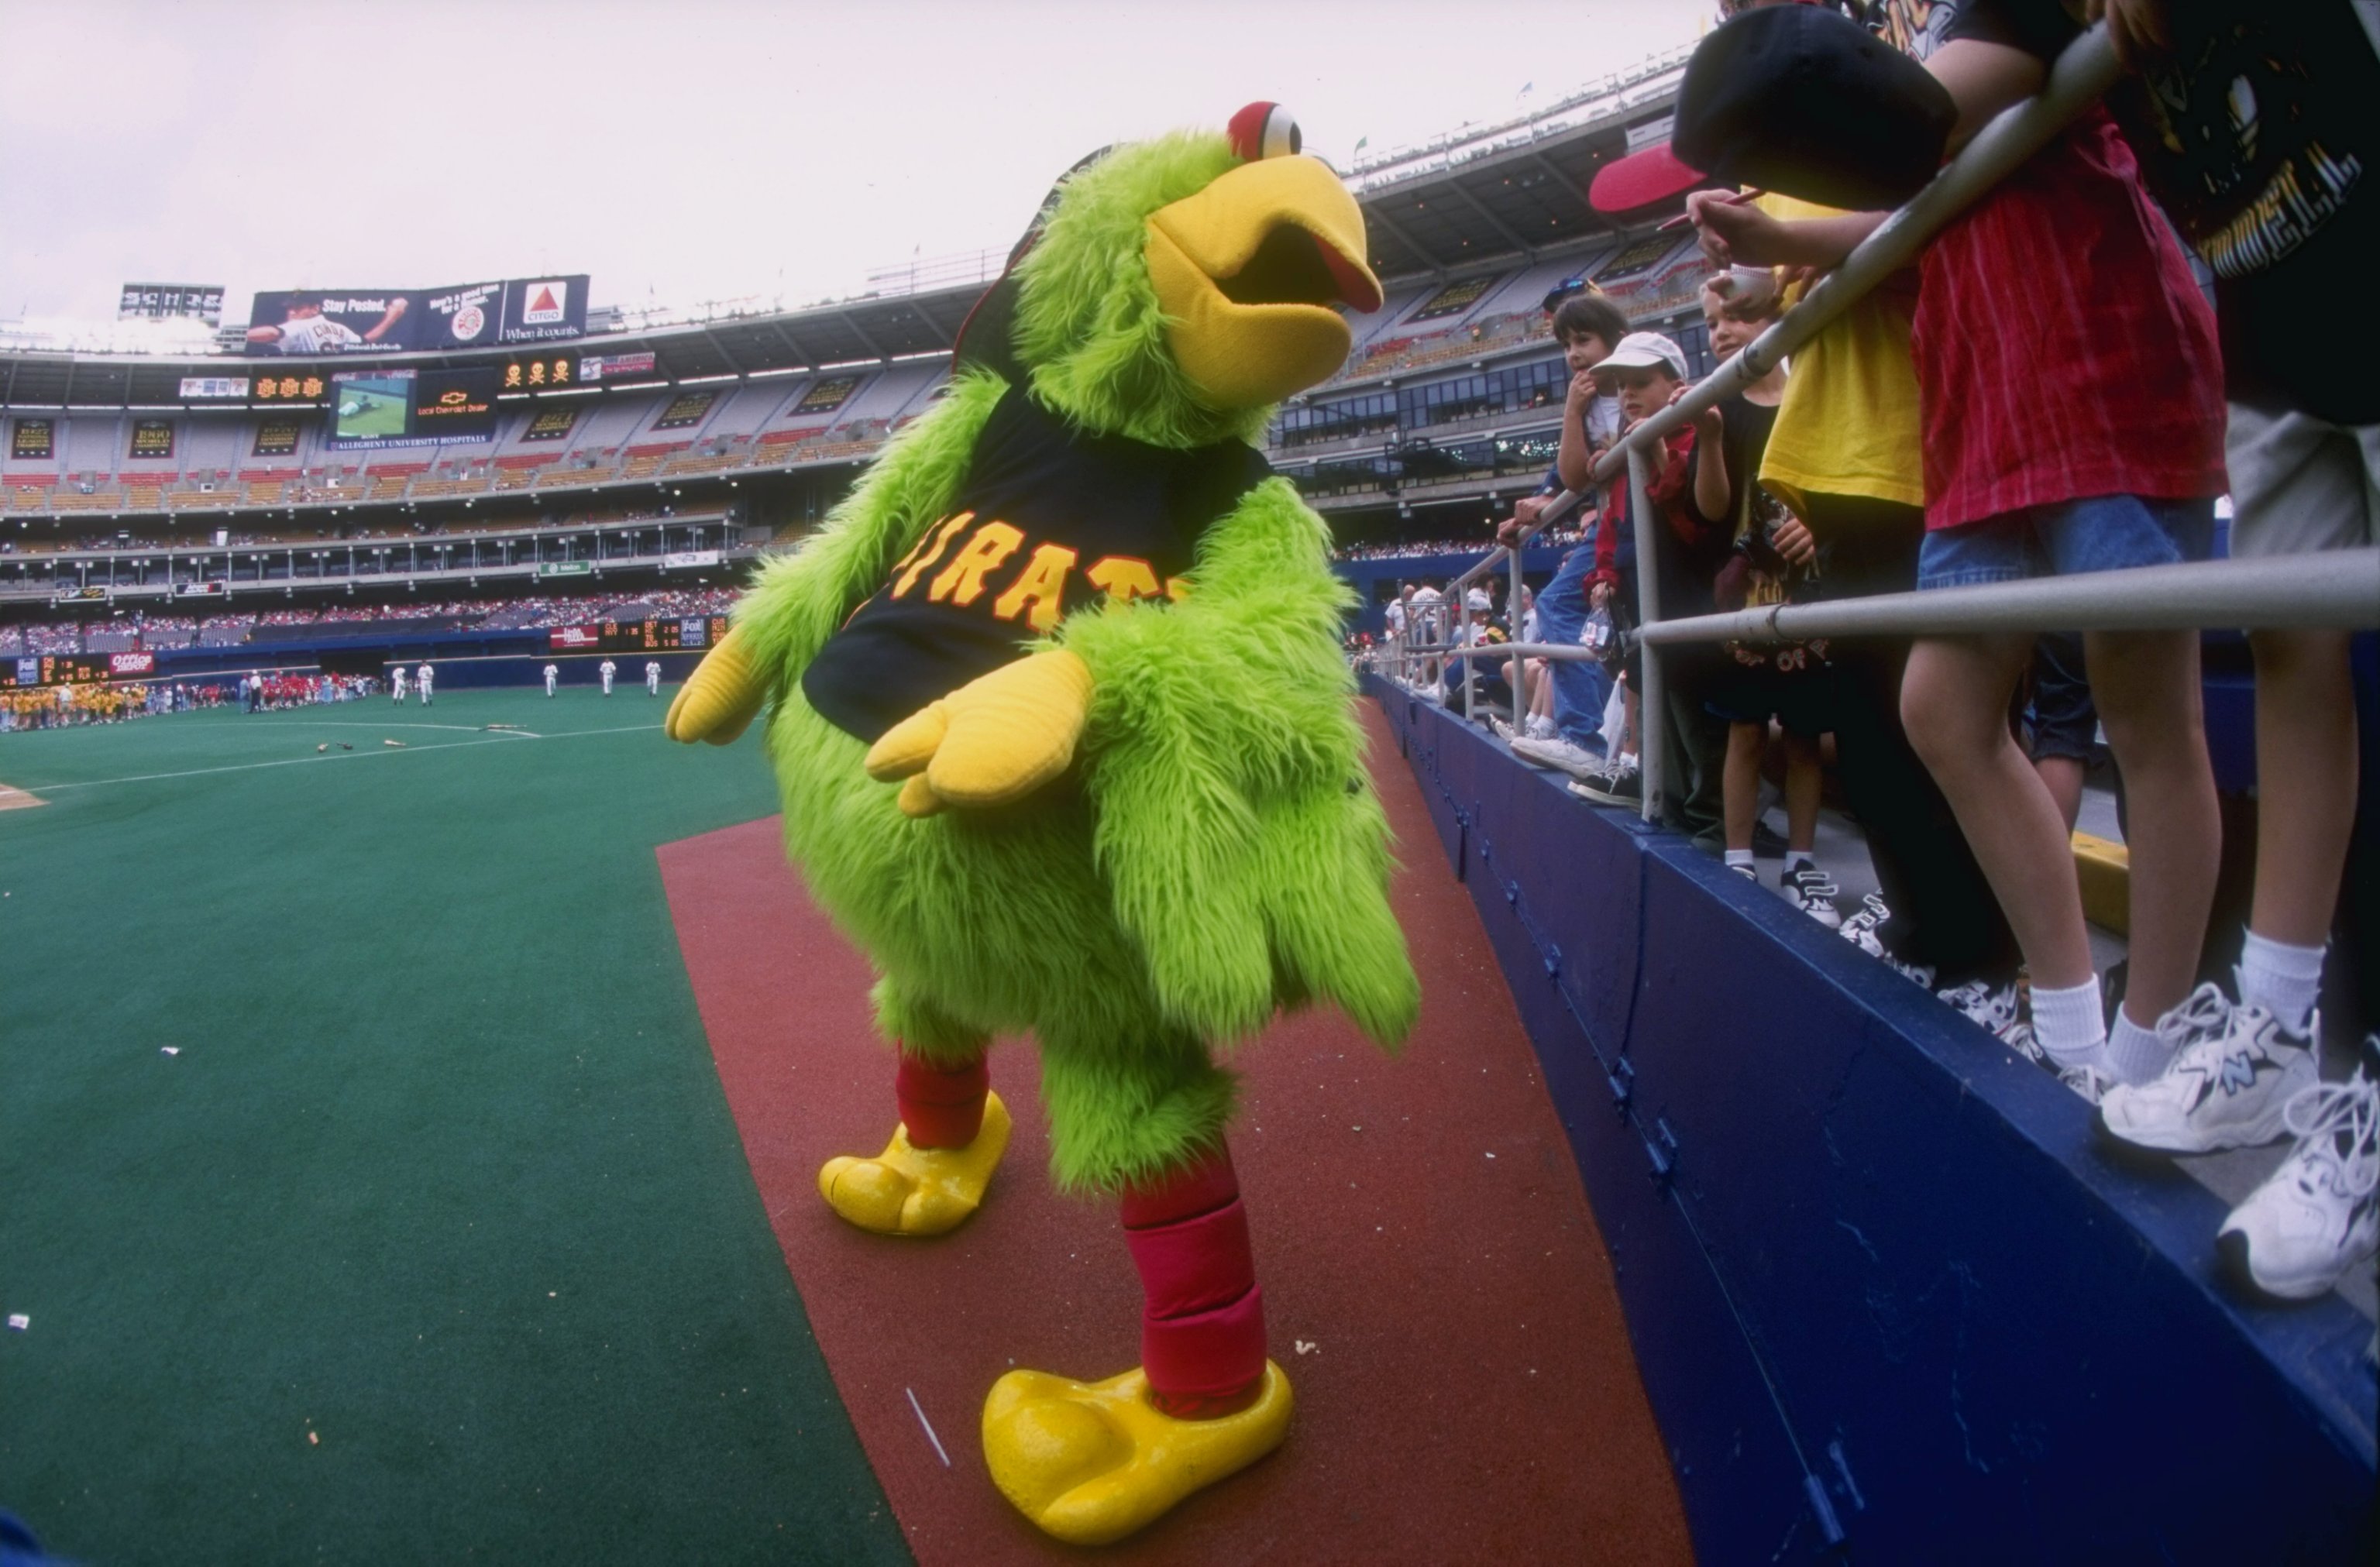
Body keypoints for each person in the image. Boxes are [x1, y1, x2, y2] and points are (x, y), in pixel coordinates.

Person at [1701, 0, 2227, 1098]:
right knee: (1943, 707)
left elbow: (1916, 132)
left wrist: (1763, 148)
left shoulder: (1979, 27)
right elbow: (1930, 194)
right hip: (1980, 401)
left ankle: (2149, 1044)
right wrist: (1780, 245)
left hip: (2095, 357)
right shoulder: (1933, 28)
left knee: (2146, 714)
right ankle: (2079, 1035)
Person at [1696, 270, 1837, 925]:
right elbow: (1714, 509)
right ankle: (1739, 856)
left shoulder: (1810, 393)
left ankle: (1803, 860)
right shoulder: (1714, 406)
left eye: (1737, 317)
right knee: (1745, 729)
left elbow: (1835, 485)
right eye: (1712, 323)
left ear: (1772, 319)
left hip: (1811, 592)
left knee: (1806, 734)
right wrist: (1711, 441)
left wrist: (1822, 527)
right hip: (1743, 599)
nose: (1723, 330)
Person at [1568, 330, 1728, 812]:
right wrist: (1603, 576)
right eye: (1620, 384)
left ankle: (1710, 807)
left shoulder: (1694, 430)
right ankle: (1673, 794)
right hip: (1643, 590)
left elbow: (1693, 524)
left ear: (1675, 382)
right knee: (1653, 687)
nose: (1627, 394)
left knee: (1694, 702)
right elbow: (1613, 526)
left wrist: (1657, 452)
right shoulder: (1625, 450)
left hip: (1686, 593)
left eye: (1640, 381)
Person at [1507, 289, 1632, 778]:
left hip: (1634, 519)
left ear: (1617, 340)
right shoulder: (1585, 400)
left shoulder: (1635, 381)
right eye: (1566, 344)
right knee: (1565, 607)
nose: (1574, 353)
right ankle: (1587, 736)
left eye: (1583, 340)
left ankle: (1587, 737)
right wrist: (1571, 414)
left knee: (1567, 607)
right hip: (1611, 521)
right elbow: (1575, 476)